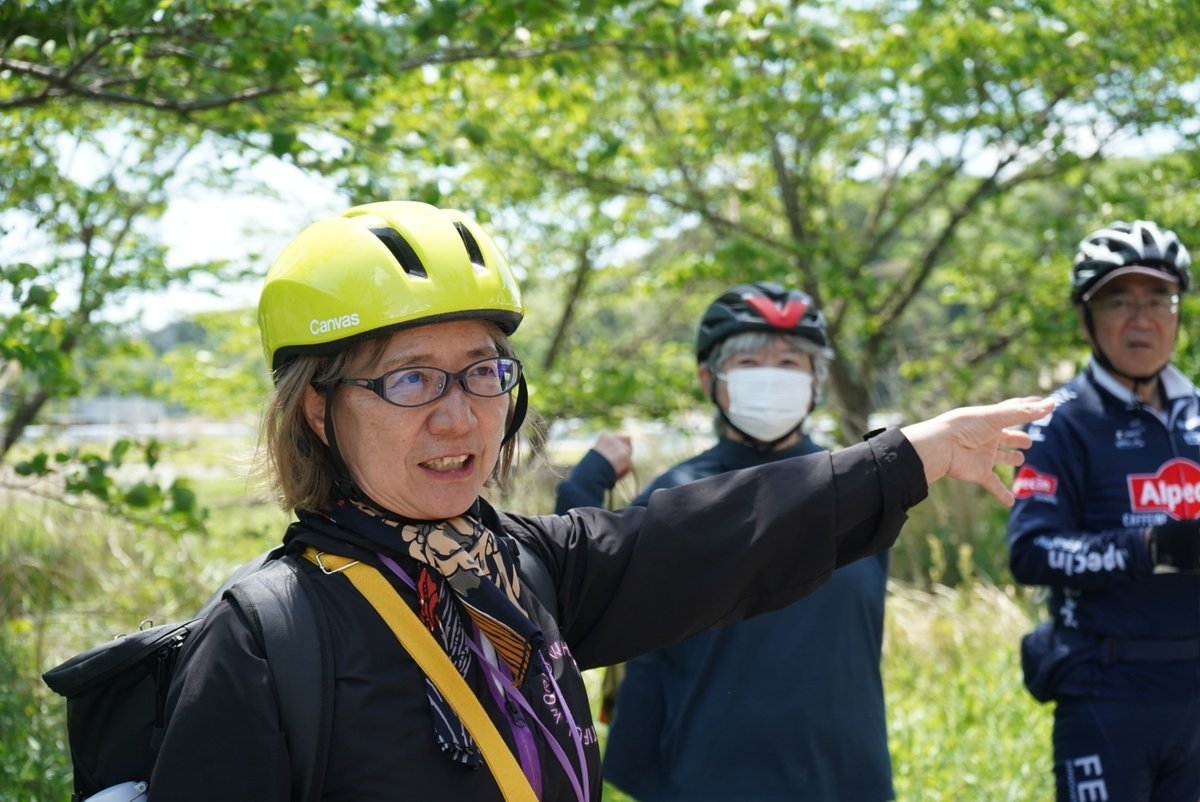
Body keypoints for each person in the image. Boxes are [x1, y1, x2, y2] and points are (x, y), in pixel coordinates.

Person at [147, 199, 1050, 801]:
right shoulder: (269, 637)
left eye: (483, 373)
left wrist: (912, 456)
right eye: (411, 379)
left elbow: (711, 537)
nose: (460, 416)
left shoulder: (520, 569)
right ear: (315, 406)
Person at [554, 282, 895, 801]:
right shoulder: (674, 496)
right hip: (708, 780)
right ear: (707, 378)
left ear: (815, 381)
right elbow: (579, 590)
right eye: (750, 362)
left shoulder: (858, 487)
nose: (771, 376)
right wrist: (583, 487)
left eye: (789, 362)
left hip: (848, 780)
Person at [1007, 219, 1200, 802]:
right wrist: (1148, 550)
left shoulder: (1197, 414)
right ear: (1086, 319)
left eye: (1158, 299)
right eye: (1119, 300)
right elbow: (1030, 552)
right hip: (1107, 693)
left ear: (1178, 313)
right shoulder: (1059, 420)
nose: (1141, 318)